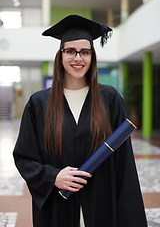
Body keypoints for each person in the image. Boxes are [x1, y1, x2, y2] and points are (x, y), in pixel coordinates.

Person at [13, 15, 147, 227]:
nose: (78, 58)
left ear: (92, 57)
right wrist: (53, 176)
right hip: (58, 207)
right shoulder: (39, 103)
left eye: (85, 52)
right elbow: (24, 158)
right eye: (71, 51)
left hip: (102, 205)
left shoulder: (109, 99)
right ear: (60, 55)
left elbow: (124, 164)